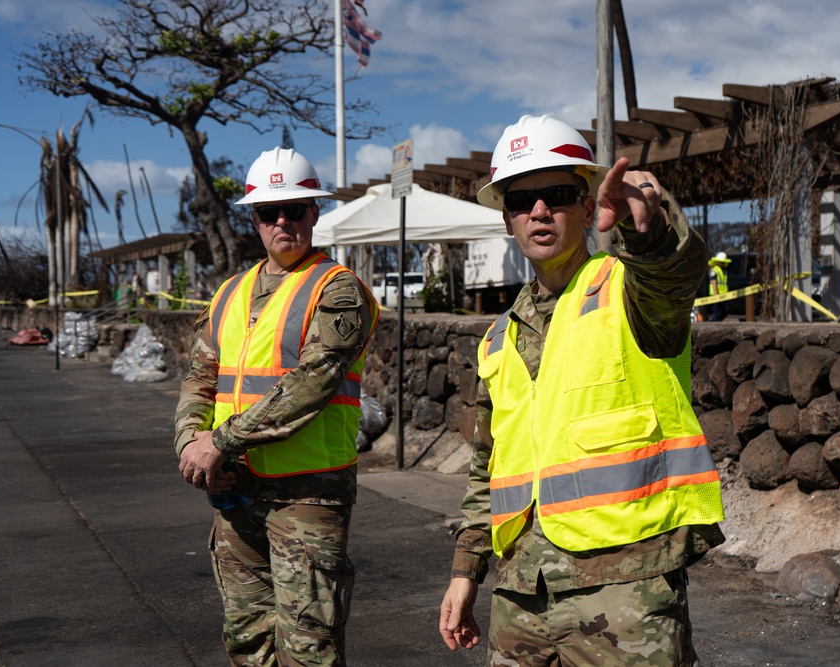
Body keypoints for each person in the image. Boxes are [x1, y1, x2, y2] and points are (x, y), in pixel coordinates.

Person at [438, 115, 725, 666]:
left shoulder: (627, 290)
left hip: (624, 591)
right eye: (523, 201)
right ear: (508, 220)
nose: (539, 211)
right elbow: (487, 470)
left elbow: (670, 273)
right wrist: (464, 572)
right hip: (521, 594)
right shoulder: (499, 338)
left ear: (589, 208)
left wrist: (651, 230)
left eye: (559, 194)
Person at [174, 147, 379, 666]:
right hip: (235, 492)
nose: (283, 220)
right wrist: (190, 448)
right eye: (270, 212)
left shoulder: (338, 290)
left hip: (308, 497)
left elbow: (312, 383)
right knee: (247, 639)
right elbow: (199, 380)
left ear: (315, 211)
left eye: (295, 208)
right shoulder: (228, 294)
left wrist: (218, 444)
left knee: (309, 647)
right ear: (255, 220)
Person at [707, 251, 731, 321]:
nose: (723, 263)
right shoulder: (714, 270)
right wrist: (716, 295)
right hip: (716, 295)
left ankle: (715, 323)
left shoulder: (724, 271)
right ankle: (713, 324)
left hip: (724, 295)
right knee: (717, 312)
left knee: (726, 311)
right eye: (722, 262)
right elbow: (714, 282)